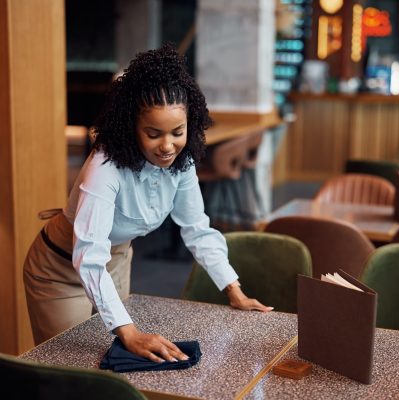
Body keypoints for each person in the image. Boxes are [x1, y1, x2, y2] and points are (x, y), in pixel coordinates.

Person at [23, 43, 273, 362]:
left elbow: (197, 229)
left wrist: (235, 292)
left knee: (115, 361)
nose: (167, 146)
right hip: (59, 269)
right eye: (153, 134)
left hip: (116, 259)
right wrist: (130, 332)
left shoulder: (181, 163)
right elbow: (88, 256)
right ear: (132, 128)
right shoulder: (104, 168)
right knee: (74, 368)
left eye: (177, 132)